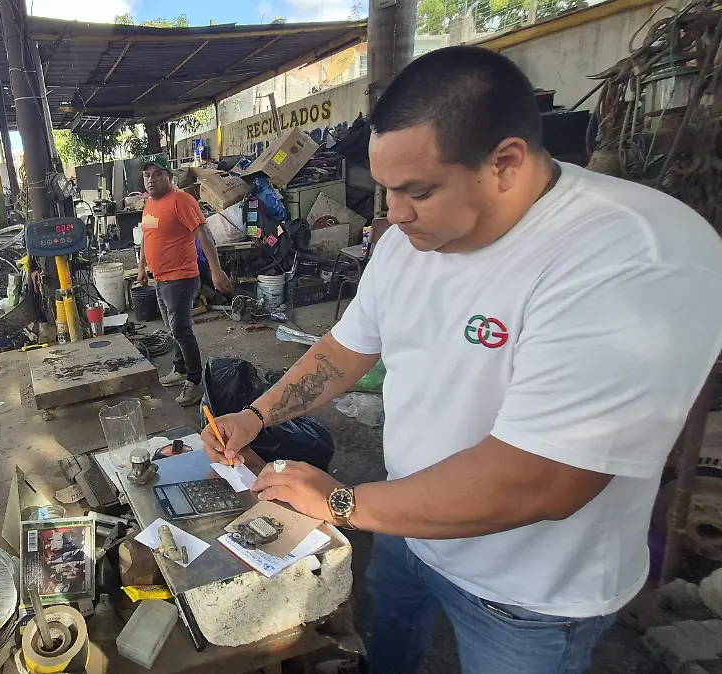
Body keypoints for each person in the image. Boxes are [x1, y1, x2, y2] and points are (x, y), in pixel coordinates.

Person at [203, 47, 722, 674]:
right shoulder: (405, 244)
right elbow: (343, 349)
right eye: (386, 189)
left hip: (529, 591)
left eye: (418, 191)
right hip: (405, 527)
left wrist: (342, 505)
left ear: (505, 161)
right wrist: (256, 417)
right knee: (387, 647)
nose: (393, 215)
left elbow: (542, 479)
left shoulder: (633, 255)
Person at [137, 153, 232, 407]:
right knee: (172, 328)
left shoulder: (181, 200)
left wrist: (216, 270)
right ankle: (180, 369)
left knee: (181, 329)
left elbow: (203, 234)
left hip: (181, 278)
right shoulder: (149, 204)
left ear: (169, 176)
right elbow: (147, 238)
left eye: (158, 174)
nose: (151, 180)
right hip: (161, 279)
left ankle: (194, 381)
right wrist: (141, 268)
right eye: (147, 175)